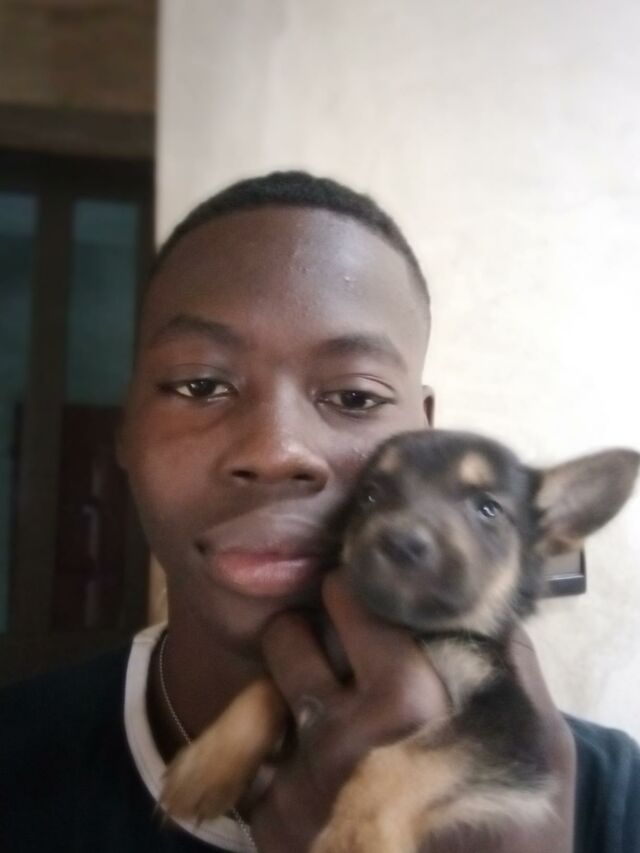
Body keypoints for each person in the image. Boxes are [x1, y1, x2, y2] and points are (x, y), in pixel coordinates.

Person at [1, 171, 638, 853]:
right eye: (201, 384)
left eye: (356, 397)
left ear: (424, 434)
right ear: (125, 429)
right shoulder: (19, 761)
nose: (276, 451)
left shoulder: (618, 801)